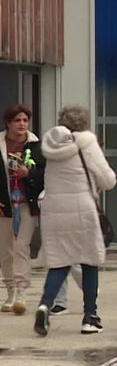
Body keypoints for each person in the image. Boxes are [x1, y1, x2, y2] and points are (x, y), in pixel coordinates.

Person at [34, 105, 116, 336]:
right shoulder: (87, 143)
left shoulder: (50, 146)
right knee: (89, 261)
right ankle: (90, 317)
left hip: (53, 210)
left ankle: (45, 304)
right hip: (82, 210)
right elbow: (107, 178)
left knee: (60, 261)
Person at [0, 104, 45, 314]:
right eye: (17, 120)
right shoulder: (0, 144)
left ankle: (20, 291)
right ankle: (9, 291)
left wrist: (29, 174)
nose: (22, 124)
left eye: (25, 120)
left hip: (26, 203)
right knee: (5, 250)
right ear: (8, 123)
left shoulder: (37, 145)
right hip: (4, 203)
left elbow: (46, 174)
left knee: (21, 246)